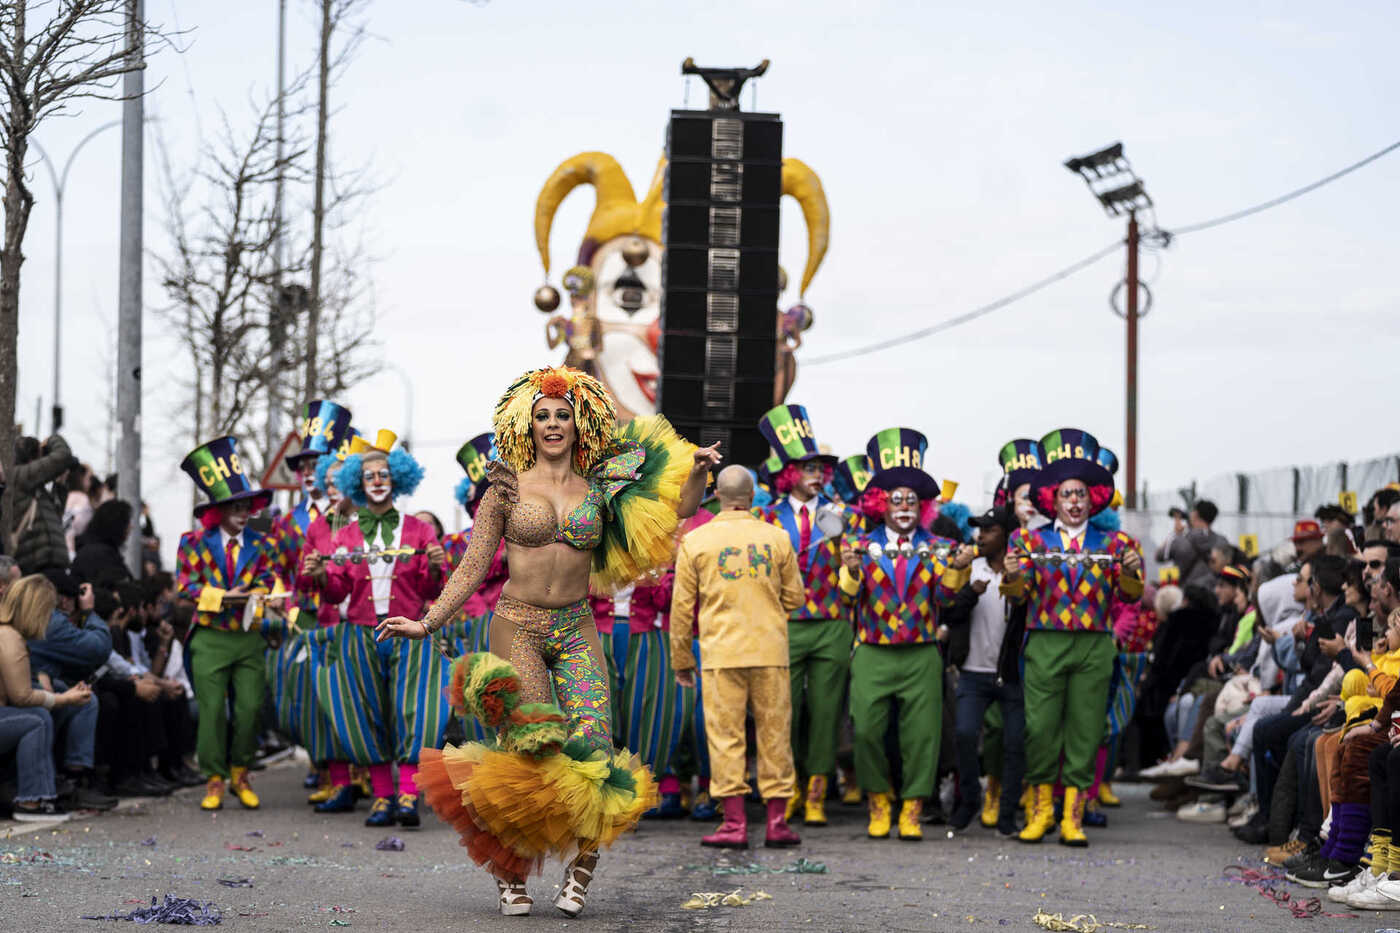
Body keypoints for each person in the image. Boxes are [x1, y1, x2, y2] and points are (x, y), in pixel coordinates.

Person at [377, 365, 716, 918]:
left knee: (596, 749)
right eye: (542, 416)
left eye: (562, 414)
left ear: (578, 422)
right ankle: (511, 876)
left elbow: (681, 510)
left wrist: (698, 470)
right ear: (527, 426)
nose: (553, 423)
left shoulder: (604, 485)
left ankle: (581, 872)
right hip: (518, 625)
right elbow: (472, 565)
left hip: (577, 626)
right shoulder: (505, 487)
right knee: (529, 754)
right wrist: (427, 620)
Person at [1002, 428, 1144, 847]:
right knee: (1040, 728)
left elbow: (1130, 595)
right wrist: (1011, 574)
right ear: (1053, 500)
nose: (1075, 502)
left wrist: (1133, 570)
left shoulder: (1117, 543)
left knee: (1085, 730)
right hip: (1044, 641)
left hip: (1094, 644)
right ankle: (1041, 810)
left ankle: (1072, 816)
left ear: (1093, 498)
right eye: (1067, 494)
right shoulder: (1027, 539)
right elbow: (1018, 595)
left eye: (1081, 494)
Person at [300, 428, 447, 827]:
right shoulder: (345, 535)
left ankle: (407, 795)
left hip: (409, 630)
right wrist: (317, 576)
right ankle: (382, 796)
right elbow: (335, 593)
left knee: (416, 712)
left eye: (384, 475)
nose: (378, 482)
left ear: (396, 479)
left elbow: (432, 588)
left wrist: (435, 566)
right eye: (370, 477)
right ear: (358, 484)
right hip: (359, 633)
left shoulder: (419, 531)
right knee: (363, 712)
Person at [838, 428, 970, 841]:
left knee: (923, 735)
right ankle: (879, 802)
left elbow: (948, 595)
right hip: (873, 652)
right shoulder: (859, 544)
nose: (904, 506)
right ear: (881, 504)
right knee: (866, 731)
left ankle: (912, 809)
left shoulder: (939, 547)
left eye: (912, 500)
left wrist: (960, 566)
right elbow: (848, 595)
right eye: (896, 499)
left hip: (921, 653)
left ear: (924, 506)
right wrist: (852, 569)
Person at [669, 465, 804, 847]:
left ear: (718, 495)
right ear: (752, 495)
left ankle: (734, 824)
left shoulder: (696, 541)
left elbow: (682, 609)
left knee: (726, 737)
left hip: (720, 652)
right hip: (770, 649)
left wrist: (682, 661)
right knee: (775, 732)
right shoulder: (776, 538)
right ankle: (777, 822)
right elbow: (795, 598)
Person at [756, 404, 849, 827]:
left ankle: (817, 794)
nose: (817, 474)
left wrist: (851, 544)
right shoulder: (766, 517)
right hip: (785, 624)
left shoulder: (842, 516)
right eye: (808, 467)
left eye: (820, 468)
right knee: (783, 712)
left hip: (832, 623)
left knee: (827, 712)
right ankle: (787, 790)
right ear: (789, 472)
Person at [175, 436, 278, 811]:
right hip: (210, 637)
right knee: (212, 710)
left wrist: (256, 594)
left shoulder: (262, 544)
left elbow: (269, 581)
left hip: (248, 637)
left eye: (246, 506)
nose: (242, 512)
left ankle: (241, 772)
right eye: (234, 506)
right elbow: (186, 585)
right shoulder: (192, 542)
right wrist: (227, 597)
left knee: (250, 709)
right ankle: (214, 778)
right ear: (217, 510)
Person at [949, 505, 1025, 835]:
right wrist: (969, 592)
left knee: (1014, 743)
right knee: (964, 734)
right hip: (972, 671)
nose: (981, 536)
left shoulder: (1020, 569)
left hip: (1010, 675)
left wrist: (1016, 579)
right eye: (979, 530)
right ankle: (969, 799)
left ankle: (1006, 813)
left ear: (1006, 535)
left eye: (989, 530)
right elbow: (947, 614)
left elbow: (1026, 613)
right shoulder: (971, 568)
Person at [0, 574, 93, 821]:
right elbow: (21, 696)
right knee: (37, 720)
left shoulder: (7, 632)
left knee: (39, 714)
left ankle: (27, 790)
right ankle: (32, 801)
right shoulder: (9, 637)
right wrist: (65, 699)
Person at [8, 434, 75, 575]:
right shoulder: (19, 476)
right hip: (37, 567)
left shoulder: (36, 489)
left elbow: (54, 519)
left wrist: (60, 487)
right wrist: (52, 439)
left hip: (50, 565)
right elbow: (63, 456)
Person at [71, 499, 135, 586]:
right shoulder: (100, 555)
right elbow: (120, 589)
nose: (131, 527)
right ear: (116, 525)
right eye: (127, 522)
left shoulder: (98, 550)